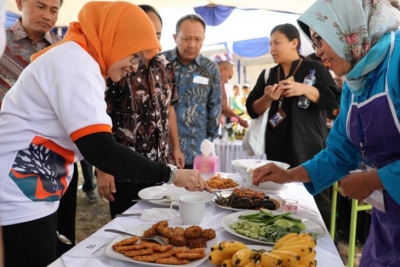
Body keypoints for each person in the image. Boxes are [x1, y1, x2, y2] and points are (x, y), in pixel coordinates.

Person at [0, 2, 211, 266]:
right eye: (134, 55)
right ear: (116, 38)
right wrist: (172, 174)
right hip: (18, 188)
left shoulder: (84, 61)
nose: (134, 67)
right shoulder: (76, 63)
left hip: (34, 185)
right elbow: (101, 148)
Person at [253, 0, 400, 265]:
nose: (317, 52)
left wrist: (374, 180)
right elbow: (341, 152)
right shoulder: (356, 81)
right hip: (388, 225)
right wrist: (288, 174)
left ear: (348, 27)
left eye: (321, 40)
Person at [0, 0, 76, 257]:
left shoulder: (62, 49)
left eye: (54, 10)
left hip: (55, 158)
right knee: (17, 240)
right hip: (10, 159)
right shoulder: (3, 43)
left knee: (59, 231)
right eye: (41, 6)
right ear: (20, 3)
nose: (48, 16)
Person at [245, 23, 339, 229]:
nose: (272, 49)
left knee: (316, 201)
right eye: (270, 44)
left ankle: (324, 244)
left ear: (294, 43)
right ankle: (279, 236)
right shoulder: (268, 75)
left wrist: (304, 88)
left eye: (277, 43)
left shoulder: (316, 68)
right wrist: (268, 97)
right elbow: (253, 109)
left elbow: (333, 101)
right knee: (278, 197)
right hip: (277, 148)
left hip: (310, 147)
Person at [98, 4, 184, 219]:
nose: (153, 42)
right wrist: (102, 168)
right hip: (124, 171)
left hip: (161, 168)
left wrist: (176, 147)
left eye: (157, 34)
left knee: (160, 230)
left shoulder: (166, 65)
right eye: (147, 34)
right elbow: (99, 117)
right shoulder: (115, 65)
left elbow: (169, 107)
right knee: (126, 233)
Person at [162, 14, 222, 169]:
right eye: (186, 38)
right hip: (162, 152)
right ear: (175, 37)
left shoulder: (210, 68)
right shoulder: (160, 63)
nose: (192, 45)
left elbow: (215, 107)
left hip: (196, 153)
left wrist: (208, 142)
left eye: (198, 39)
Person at [217, 60, 249, 128]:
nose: (227, 81)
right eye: (229, 76)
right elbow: (223, 107)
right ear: (222, 70)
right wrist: (240, 120)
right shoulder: (216, 84)